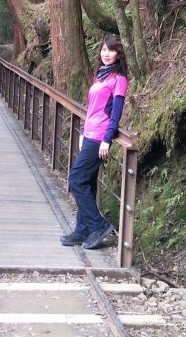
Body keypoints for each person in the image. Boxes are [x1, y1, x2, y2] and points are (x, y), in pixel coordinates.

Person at [61, 35, 129, 250]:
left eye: (111, 50)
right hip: (90, 133)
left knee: (76, 180)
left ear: (118, 54)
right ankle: (82, 230)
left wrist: (107, 140)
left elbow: (115, 113)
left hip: (100, 135)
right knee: (87, 182)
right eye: (104, 50)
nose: (106, 53)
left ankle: (98, 225)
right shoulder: (100, 76)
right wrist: (83, 131)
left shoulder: (118, 79)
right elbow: (92, 109)